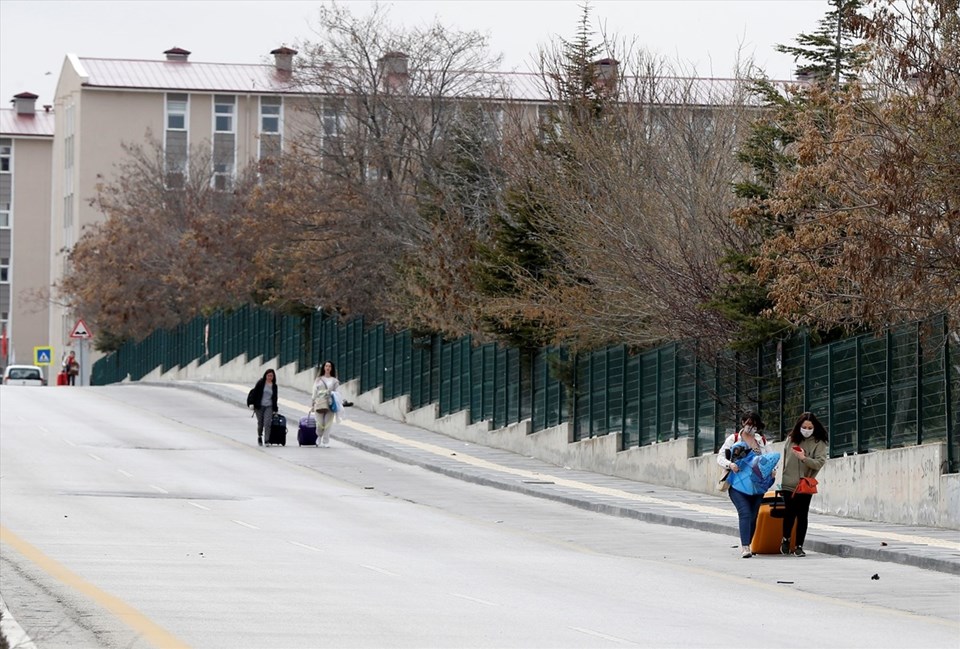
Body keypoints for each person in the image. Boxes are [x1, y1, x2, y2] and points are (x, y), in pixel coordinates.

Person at [717, 412, 773, 558]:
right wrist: (730, 464)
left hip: (756, 485)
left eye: (754, 425)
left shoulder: (762, 441)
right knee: (745, 513)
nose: (751, 427)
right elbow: (720, 457)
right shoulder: (734, 439)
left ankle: (750, 543)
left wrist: (773, 471)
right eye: (748, 423)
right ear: (742, 423)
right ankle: (745, 547)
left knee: (754, 515)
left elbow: (770, 459)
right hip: (737, 485)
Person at [780, 412, 828, 557]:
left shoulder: (819, 443)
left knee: (802, 515)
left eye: (809, 427)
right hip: (788, 483)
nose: (806, 430)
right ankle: (786, 540)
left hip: (805, 484)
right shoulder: (791, 439)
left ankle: (799, 545)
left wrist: (804, 458)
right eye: (804, 427)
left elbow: (819, 462)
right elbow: (785, 459)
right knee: (789, 513)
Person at [311, 360, 340, 448]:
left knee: (328, 423)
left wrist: (332, 394)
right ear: (324, 367)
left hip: (330, 403)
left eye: (329, 366)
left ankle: (326, 440)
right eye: (326, 366)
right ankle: (319, 436)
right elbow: (314, 391)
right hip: (319, 403)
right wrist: (313, 402)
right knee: (320, 423)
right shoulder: (319, 379)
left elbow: (338, 392)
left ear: (332, 368)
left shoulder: (335, 381)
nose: (328, 368)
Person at [248, 369, 279, 446]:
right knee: (260, 424)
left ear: (273, 377)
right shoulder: (261, 383)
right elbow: (254, 393)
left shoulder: (274, 386)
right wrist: (252, 403)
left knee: (267, 423)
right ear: (265, 375)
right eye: (268, 375)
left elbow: (275, 398)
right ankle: (259, 436)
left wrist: (275, 409)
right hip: (259, 406)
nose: (269, 377)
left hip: (269, 406)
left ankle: (267, 440)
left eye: (271, 376)